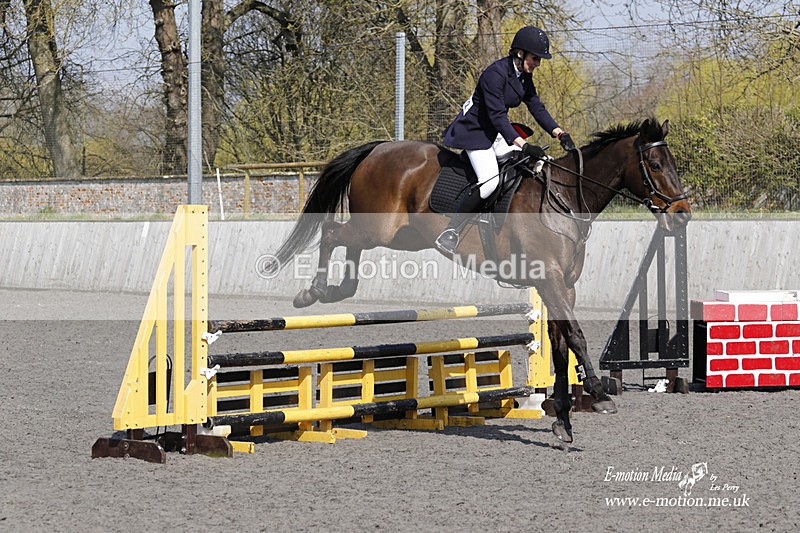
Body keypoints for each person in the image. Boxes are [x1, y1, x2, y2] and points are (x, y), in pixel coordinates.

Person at [435, 25, 577, 254]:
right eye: (535, 58)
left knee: (524, 164)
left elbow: (536, 107)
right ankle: (451, 231)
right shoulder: (495, 74)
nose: (538, 63)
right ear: (520, 54)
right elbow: (497, 116)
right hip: (475, 132)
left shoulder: (523, 76)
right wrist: (522, 143)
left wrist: (559, 133)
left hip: (495, 131)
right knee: (489, 181)